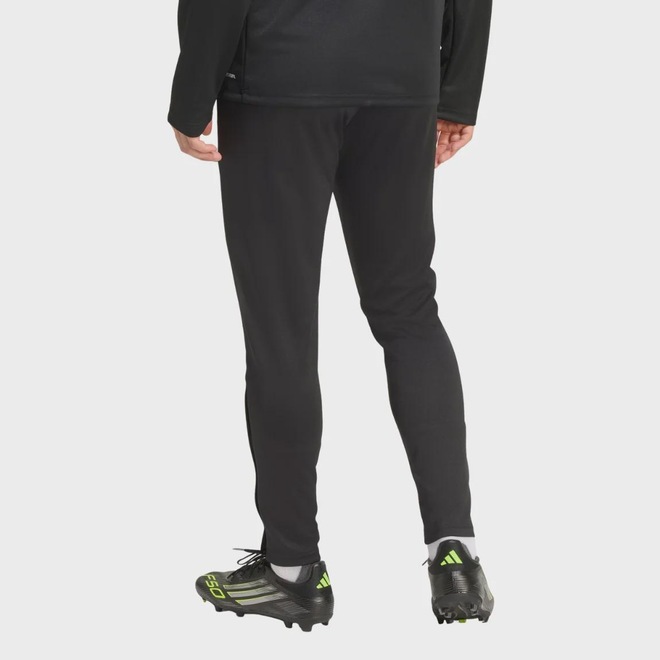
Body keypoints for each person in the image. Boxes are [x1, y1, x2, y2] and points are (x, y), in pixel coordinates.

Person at [167, 0, 494, 631]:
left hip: (278, 77)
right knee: (408, 310)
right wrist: (458, 89)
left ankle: (293, 571)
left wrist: (193, 90)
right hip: (404, 72)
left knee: (281, 327)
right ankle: (455, 553)